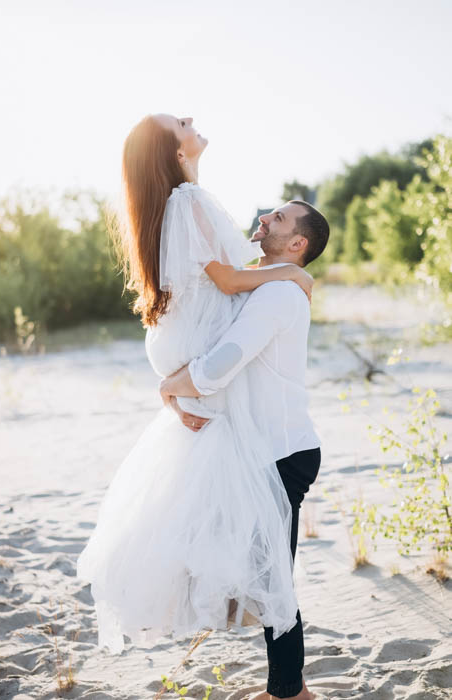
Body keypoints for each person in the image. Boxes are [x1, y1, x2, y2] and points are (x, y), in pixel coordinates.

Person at [76, 114, 315, 655]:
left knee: (210, 509)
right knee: (239, 526)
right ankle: (282, 670)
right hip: (199, 363)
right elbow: (230, 282)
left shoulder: (179, 206)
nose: (191, 120)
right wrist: (291, 273)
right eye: (180, 122)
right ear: (174, 150)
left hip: (188, 357)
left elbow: (224, 281)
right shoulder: (189, 201)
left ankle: (276, 666)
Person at [160, 199, 330, 700]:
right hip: (259, 451)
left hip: (282, 455)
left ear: (298, 244)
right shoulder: (272, 285)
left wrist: (170, 386)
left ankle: (290, 692)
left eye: (278, 218)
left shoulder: (279, 297)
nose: (265, 218)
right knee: (266, 573)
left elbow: (218, 368)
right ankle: (287, 686)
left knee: (275, 578)